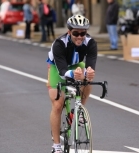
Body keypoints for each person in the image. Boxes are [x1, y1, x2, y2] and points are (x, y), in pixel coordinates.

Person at [46, 14, 97, 153]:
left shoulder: (91, 42)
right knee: (57, 105)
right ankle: (56, 146)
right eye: (76, 33)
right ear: (69, 32)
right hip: (57, 68)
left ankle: (79, 111)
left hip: (75, 64)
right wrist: (73, 75)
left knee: (87, 80)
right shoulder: (59, 43)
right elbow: (62, 71)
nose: (80, 36)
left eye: (83, 33)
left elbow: (90, 65)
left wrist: (89, 73)